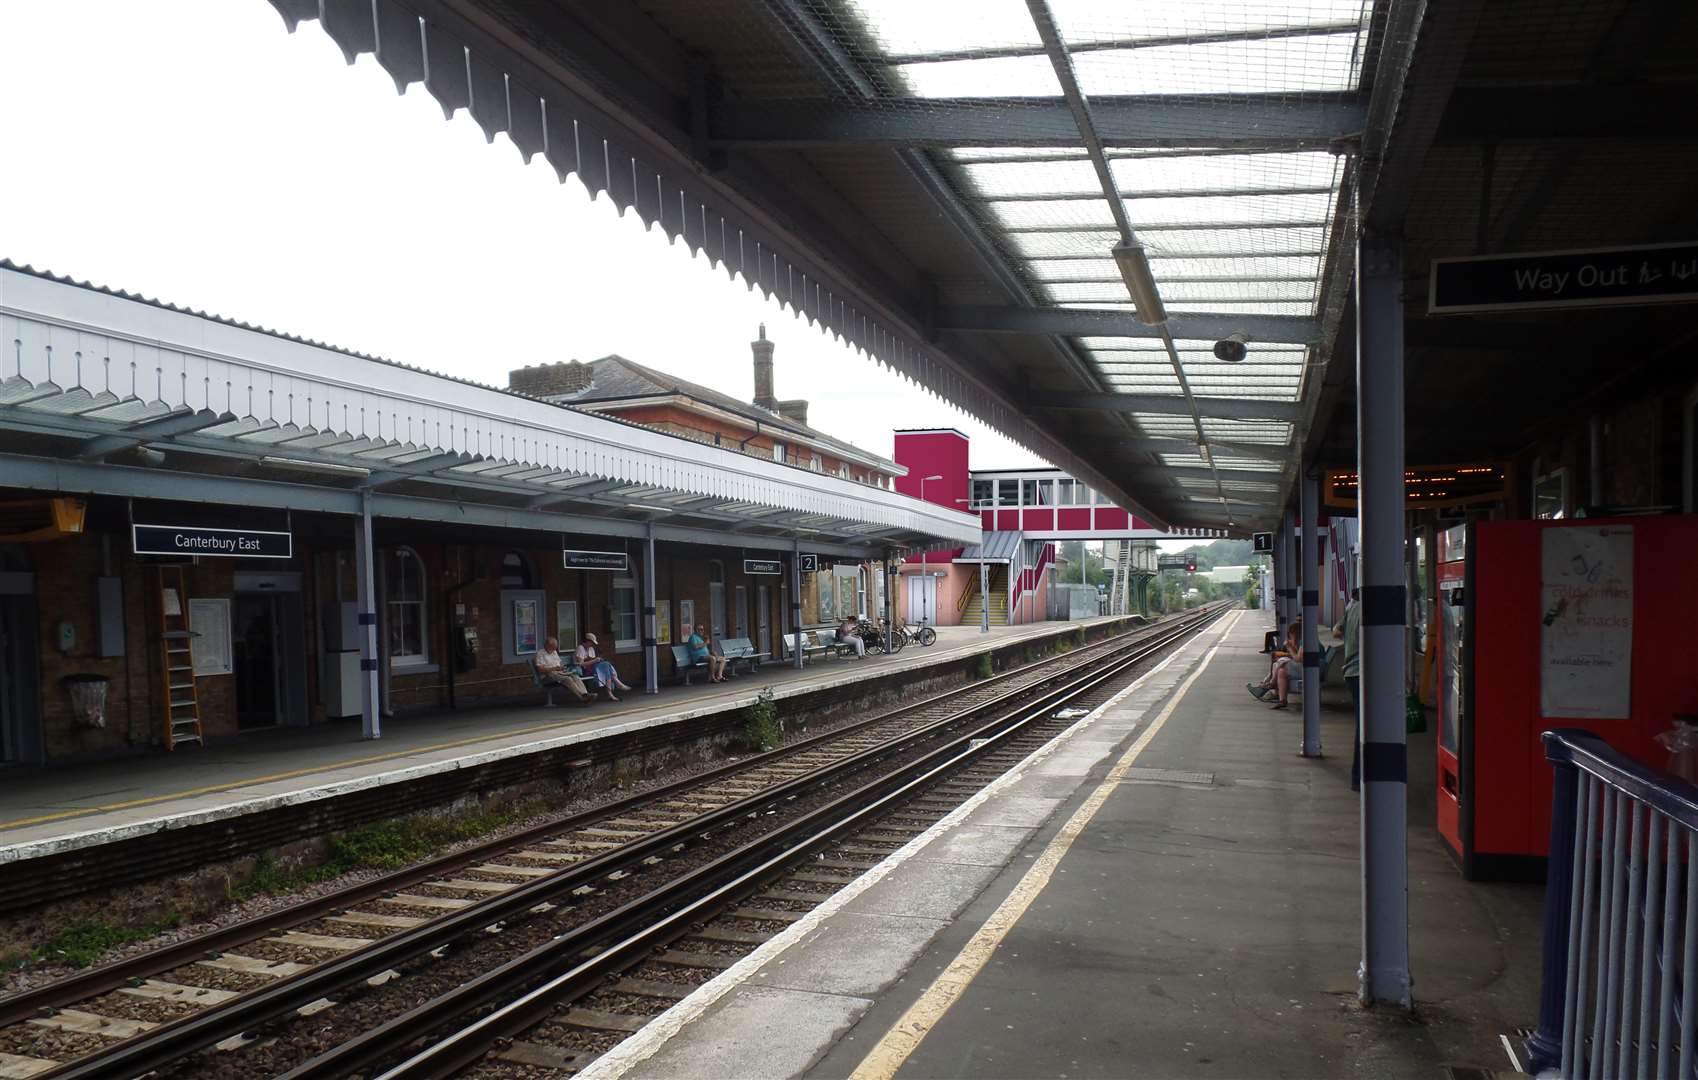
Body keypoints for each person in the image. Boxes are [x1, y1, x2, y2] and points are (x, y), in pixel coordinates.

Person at [1335, 588, 1363, 791]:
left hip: (1352, 671)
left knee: (1363, 725)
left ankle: (1358, 776)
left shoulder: (1352, 608)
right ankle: (1360, 776)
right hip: (1366, 673)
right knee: (1369, 727)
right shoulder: (1371, 609)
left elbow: (1336, 631)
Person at [1248, 619, 1301, 709]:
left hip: (1309, 669)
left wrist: (1290, 647)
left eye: (1291, 636)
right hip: (1305, 667)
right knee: (1279, 666)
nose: (1291, 638)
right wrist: (1291, 647)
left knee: (1281, 663)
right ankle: (1277, 695)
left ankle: (1269, 685)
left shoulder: (1306, 642)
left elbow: (1298, 659)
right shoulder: (1305, 642)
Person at [574, 632, 631, 701]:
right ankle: (616, 686)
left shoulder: (591, 649)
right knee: (606, 665)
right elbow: (581, 664)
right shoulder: (580, 648)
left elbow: (593, 660)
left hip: (593, 668)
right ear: (588, 641)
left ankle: (612, 692)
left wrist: (597, 660)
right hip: (585, 670)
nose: (593, 645)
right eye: (592, 643)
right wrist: (595, 660)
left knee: (606, 665)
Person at [535, 637, 591, 702]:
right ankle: (583, 697)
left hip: (559, 673)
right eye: (553, 648)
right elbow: (540, 670)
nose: (554, 650)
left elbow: (559, 664)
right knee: (567, 679)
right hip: (547, 676)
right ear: (547, 645)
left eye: (555, 648)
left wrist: (562, 668)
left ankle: (585, 694)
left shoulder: (554, 652)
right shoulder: (540, 654)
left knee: (575, 676)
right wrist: (554, 668)